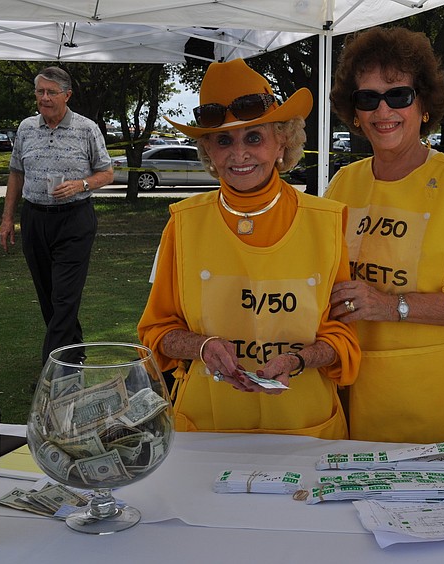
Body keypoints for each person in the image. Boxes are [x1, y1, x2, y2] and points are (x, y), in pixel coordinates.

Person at [137, 59, 360, 438]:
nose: (238, 154)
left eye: (253, 137)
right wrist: (202, 346)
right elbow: (156, 332)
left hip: (304, 427)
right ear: (208, 149)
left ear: (282, 141)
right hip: (209, 427)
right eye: (223, 140)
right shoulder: (183, 222)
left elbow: (343, 337)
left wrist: (300, 359)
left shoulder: (326, 221)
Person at [326, 27, 444, 444]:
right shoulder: (341, 184)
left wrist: (389, 307)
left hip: (432, 399)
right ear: (354, 112)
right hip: (351, 389)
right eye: (367, 98)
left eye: (398, 95)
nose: (382, 109)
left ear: (423, 104)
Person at [0, 66, 114, 365]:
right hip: (35, 218)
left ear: (67, 95)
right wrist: (7, 219)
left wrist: (82, 184)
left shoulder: (86, 128)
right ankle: (73, 355)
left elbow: (107, 172)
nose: (45, 98)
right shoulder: (26, 128)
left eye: (52, 92)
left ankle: (53, 374)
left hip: (74, 219)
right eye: (40, 92)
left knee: (64, 298)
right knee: (50, 297)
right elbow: (16, 173)